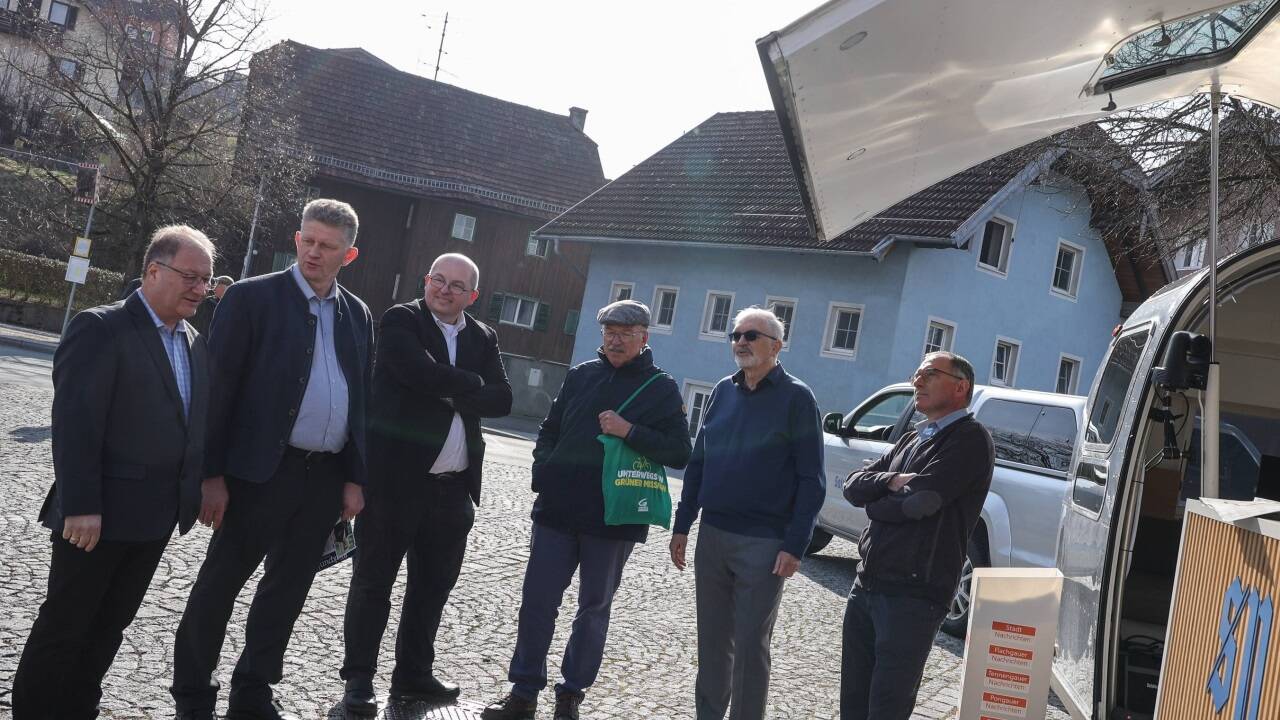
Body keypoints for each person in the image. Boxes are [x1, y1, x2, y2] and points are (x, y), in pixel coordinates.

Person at [170, 199, 374, 720]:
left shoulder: (359, 314)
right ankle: (194, 694)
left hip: (323, 476)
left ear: (348, 255)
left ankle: (253, 689)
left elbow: (361, 402)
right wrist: (210, 475)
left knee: (286, 591)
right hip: (256, 472)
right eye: (307, 239)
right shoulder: (252, 297)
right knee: (220, 584)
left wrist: (355, 478)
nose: (312, 251)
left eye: (326, 246)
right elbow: (217, 390)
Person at [12, 226, 215, 718]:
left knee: (110, 625)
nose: (199, 289)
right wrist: (81, 506)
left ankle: (79, 708)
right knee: (65, 624)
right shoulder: (101, 327)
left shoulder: (192, 340)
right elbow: (76, 425)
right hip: (95, 518)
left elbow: (192, 426)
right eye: (190, 276)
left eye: (205, 281)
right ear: (153, 271)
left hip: (154, 517)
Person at [482, 299, 691, 720]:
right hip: (558, 509)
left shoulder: (661, 387)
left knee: (593, 609)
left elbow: (680, 451)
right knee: (537, 602)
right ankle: (523, 694)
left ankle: (571, 695)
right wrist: (543, 470)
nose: (615, 340)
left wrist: (629, 430)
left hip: (613, 519)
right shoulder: (581, 376)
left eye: (625, 334)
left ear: (644, 338)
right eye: (609, 332)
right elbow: (550, 428)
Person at [341, 253, 513, 715]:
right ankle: (358, 680)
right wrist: (468, 386)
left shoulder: (483, 336)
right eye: (439, 279)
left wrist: (446, 386)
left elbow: (502, 399)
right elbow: (411, 371)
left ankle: (413, 672)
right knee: (373, 584)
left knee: (432, 589)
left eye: (458, 286)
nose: (446, 289)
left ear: (472, 296)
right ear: (426, 280)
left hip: (453, 490)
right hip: (394, 485)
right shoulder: (402, 319)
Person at [668, 306, 825, 720]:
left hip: (765, 542)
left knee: (751, 645)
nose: (740, 342)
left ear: (776, 346)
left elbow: (812, 480)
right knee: (713, 641)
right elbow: (699, 461)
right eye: (735, 335)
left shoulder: (797, 398)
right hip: (714, 535)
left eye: (751, 335)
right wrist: (682, 524)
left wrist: (795, 545)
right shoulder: (722, 391)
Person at [839, 351, 994, 720]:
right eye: (917, 373)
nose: (916, 381)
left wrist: (875, 503)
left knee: (886, 707)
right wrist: (887, 482)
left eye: (928, 374)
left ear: (960, 386)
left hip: (913, 594)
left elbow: (920, 502)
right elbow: (852, 486)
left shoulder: (970, 440)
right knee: (853, 703)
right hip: (868, 584)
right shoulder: (913, 438)